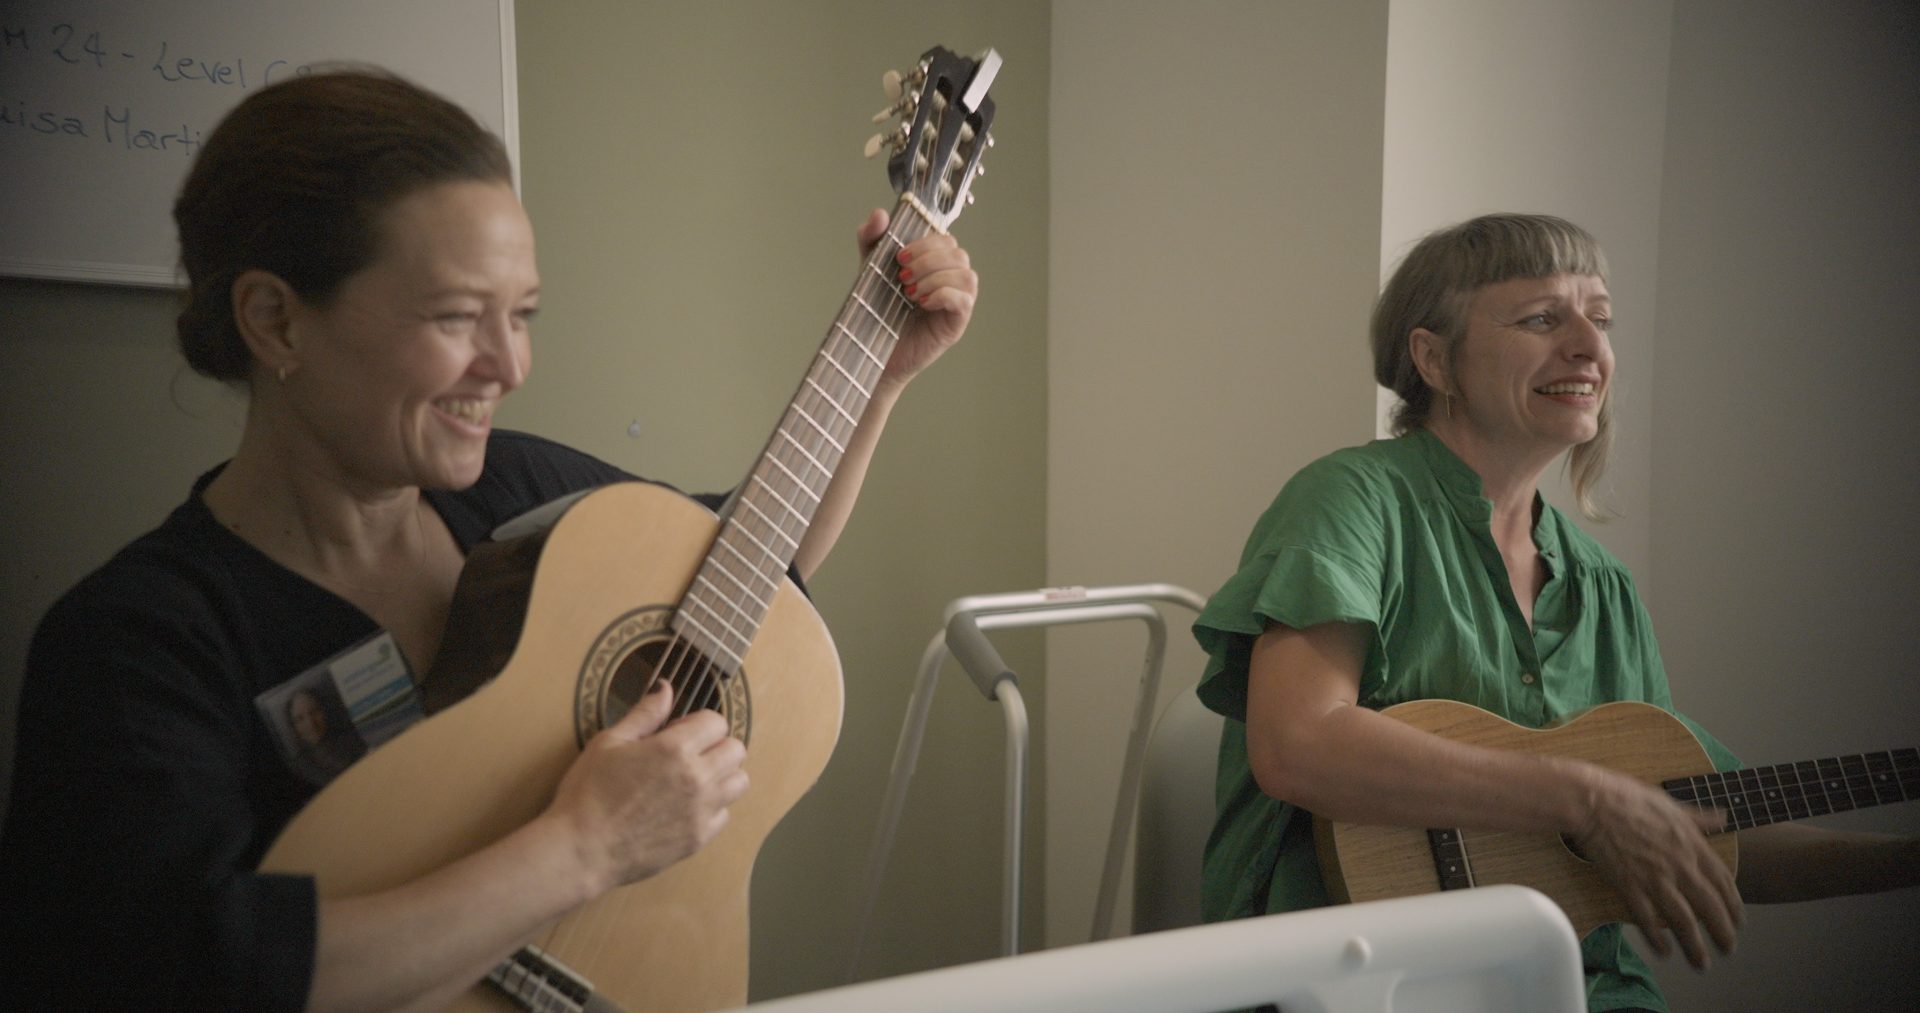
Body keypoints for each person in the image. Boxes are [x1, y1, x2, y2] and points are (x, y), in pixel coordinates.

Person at [0, 67, 977, 1010]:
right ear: (275, 320)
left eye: (522, 315)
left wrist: (879, 375)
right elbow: (192, 971)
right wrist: (585, 846)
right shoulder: (138, 644)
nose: (508, 364)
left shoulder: (516, 488)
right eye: (459, 316)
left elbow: (749, 561)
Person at [1192, 213, 1918, 1012]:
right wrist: (1586, 799)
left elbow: (1703, 816)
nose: (1588, 347)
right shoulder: (1352, 502)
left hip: (1575, 985)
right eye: (1543, 318)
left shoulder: (1604, 588)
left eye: (1600, 320)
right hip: (1357, 981)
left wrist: (1904, 861)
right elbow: (1298, 745)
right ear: (1435, 358)